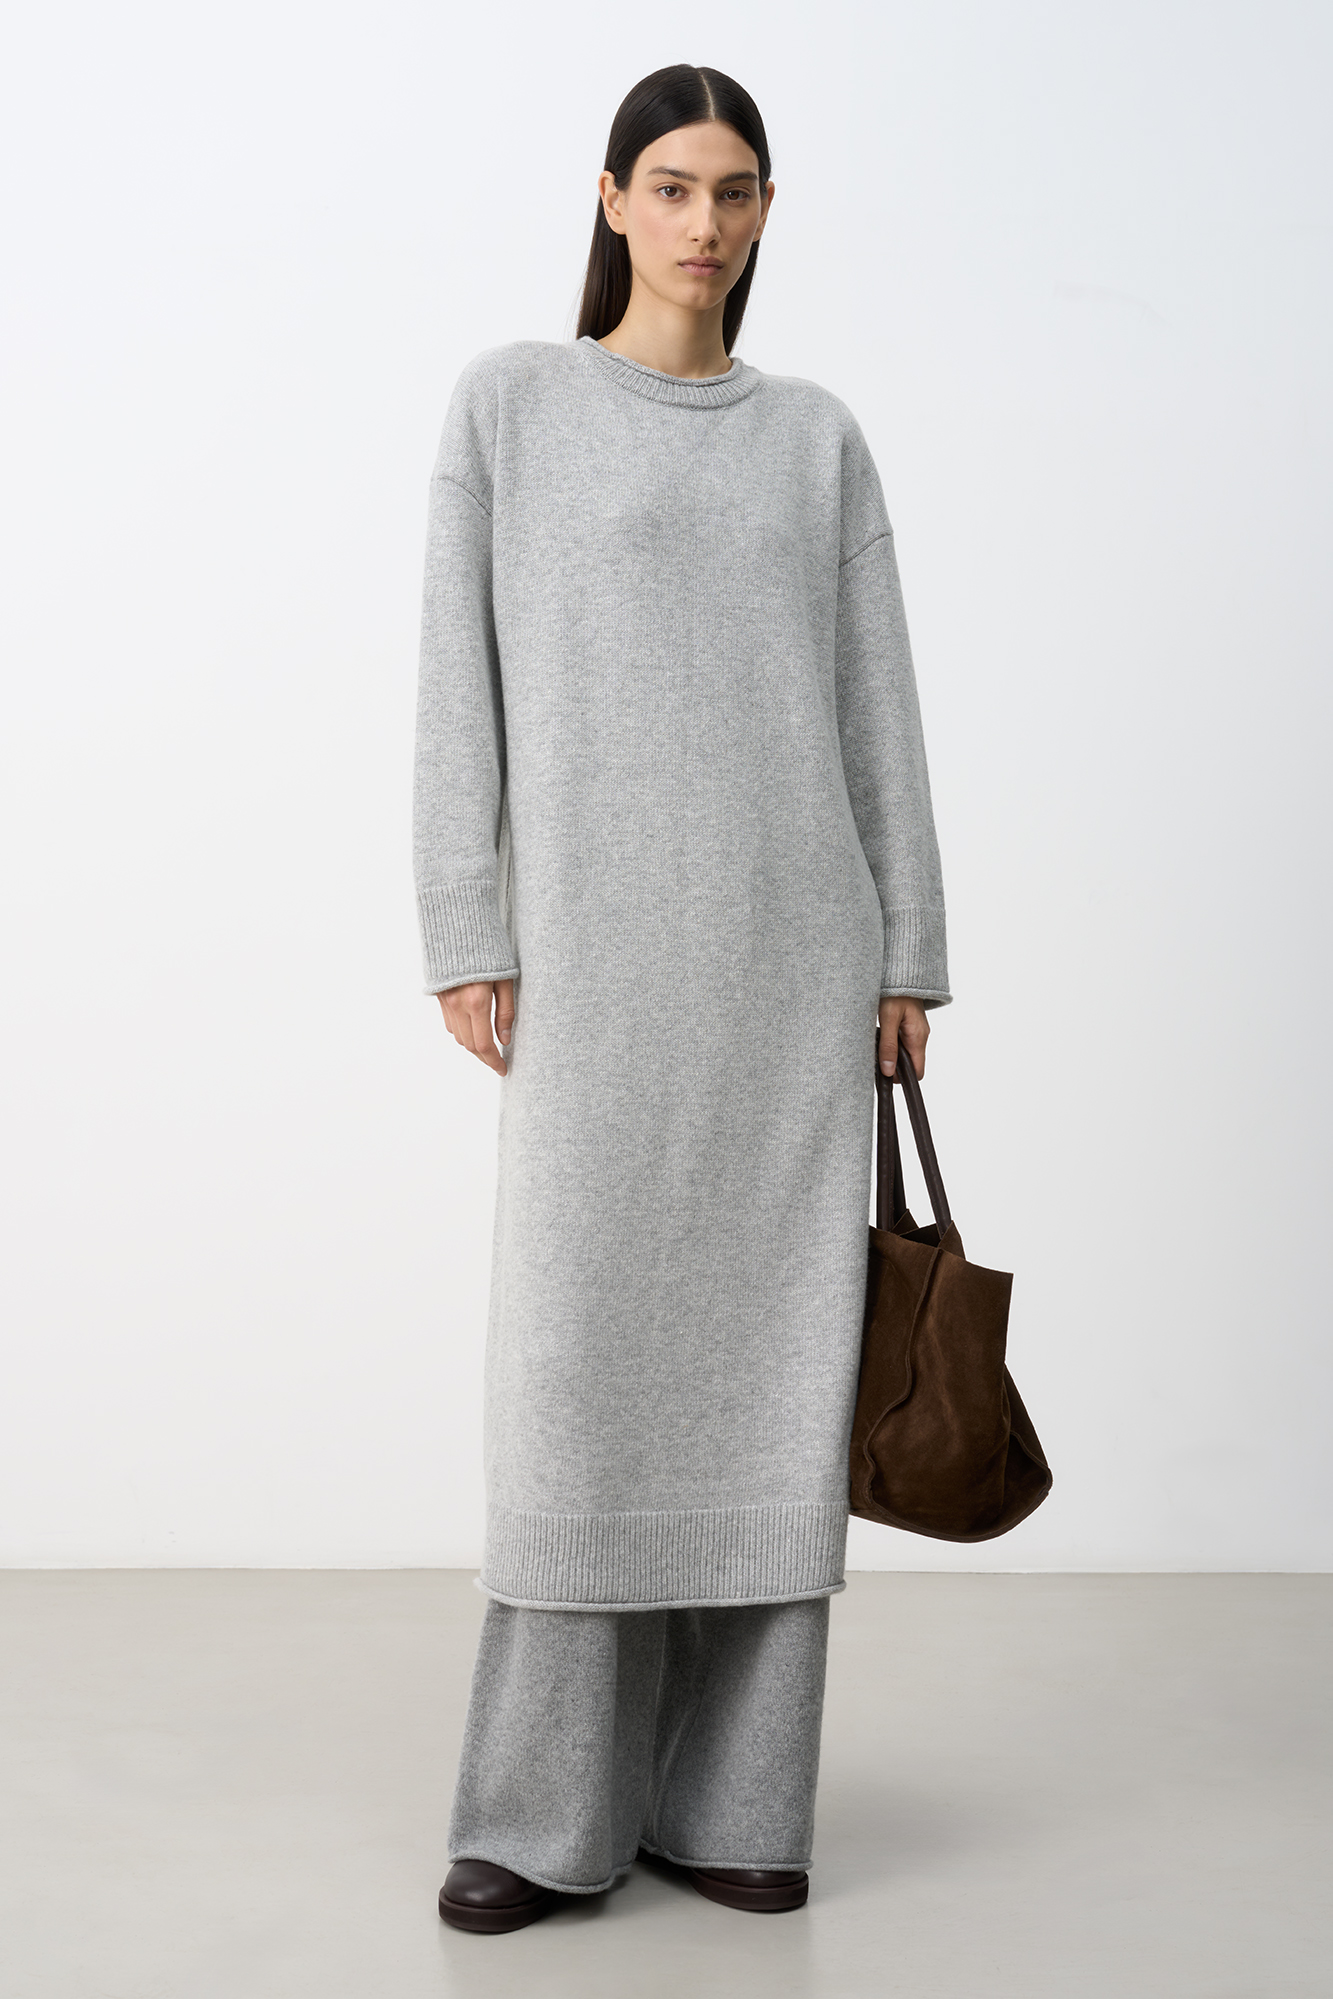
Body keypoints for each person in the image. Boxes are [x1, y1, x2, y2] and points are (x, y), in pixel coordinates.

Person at [413, 63, 950, 1935]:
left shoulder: (815, 439)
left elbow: (876, 706)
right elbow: (454, 681)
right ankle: (540, 1818)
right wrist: (465, 919)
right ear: (611, 200)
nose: (702, 223)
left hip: (793, 970)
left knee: (773, 1389)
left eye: (733, 191)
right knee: (576, 1380)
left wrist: (905, 950)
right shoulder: (512, 405)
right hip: (596, 965)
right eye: (670, 186)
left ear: (764, 211)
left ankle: (733, 1806)